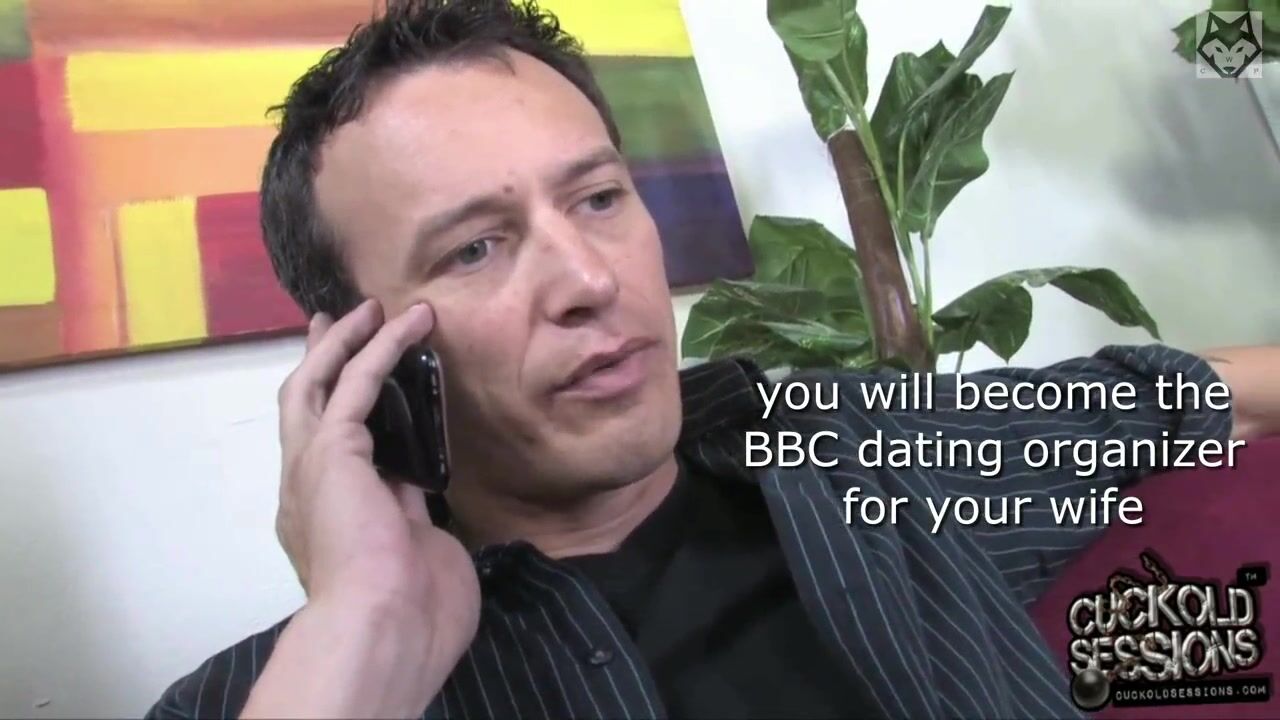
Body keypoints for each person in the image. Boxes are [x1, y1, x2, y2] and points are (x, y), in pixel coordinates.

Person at [143, 1, 1279, 718]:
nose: (588, 279)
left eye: (598, 198)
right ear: (359, 355)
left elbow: (1178, 401)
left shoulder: (859, 455)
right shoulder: (270, 694)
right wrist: (363, 641)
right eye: (476, 247)